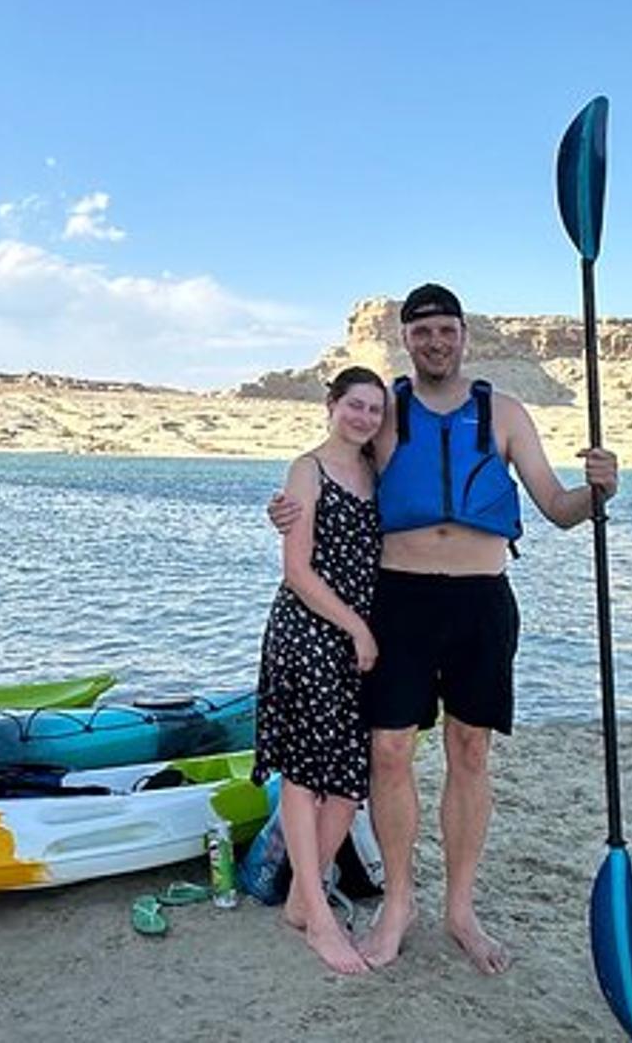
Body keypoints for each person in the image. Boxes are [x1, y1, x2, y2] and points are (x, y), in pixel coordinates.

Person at [269, 283, 618, 975]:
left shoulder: (506, 413)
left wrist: (598, 489)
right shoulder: (387, 412)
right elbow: (328, 463)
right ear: (406, 339)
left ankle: (460, 907)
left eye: (446, 330)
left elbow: (556, 504)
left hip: (481, 601)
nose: (435, 342)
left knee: (470, 750)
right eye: (421, 331)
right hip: (398, 600)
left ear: (465, 336)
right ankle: (398, 902)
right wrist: (286, 506)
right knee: (391, 752)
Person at [254, 366, 386, 975]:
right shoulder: (307, 470)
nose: (363, 418)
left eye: (374, 411)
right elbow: (297, 570)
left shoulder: (376, 472)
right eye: (354, 405)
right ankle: (317, 912)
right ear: (331, 405)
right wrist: (356, 626)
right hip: (308, 633)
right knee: (305, 774)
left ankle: (299, 901)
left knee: (349, 778)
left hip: (355, 646)